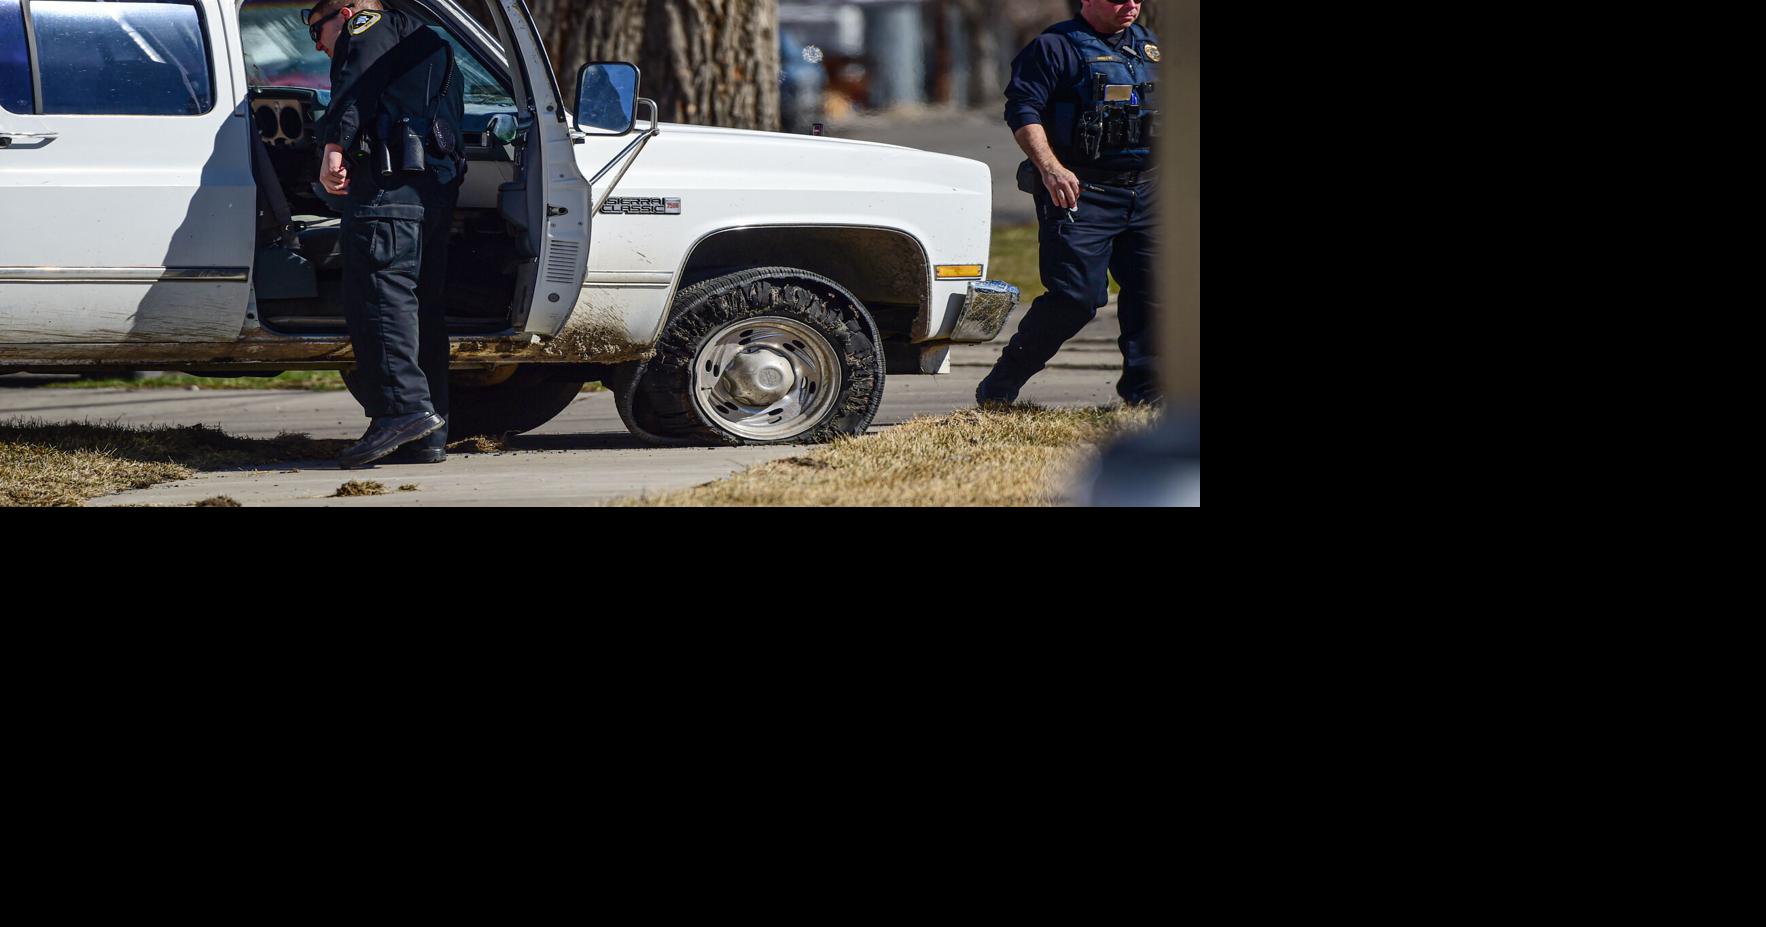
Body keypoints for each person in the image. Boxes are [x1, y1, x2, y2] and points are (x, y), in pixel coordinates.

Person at [306, 0, 465, 467]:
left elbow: (357, 84)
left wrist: (335, 144)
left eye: (317, 28)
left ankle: (401, 412)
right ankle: (427, 431)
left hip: (388, 186)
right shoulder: (428, 36)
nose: (318, 44)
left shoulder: (367, 25)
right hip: (429, 188)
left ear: (347, 10)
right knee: (419, 306)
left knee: (380, 300)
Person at [981, 0, 1161, 407]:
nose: (1131, 4)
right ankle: (1000, 386)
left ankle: (1147, 397)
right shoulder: (1054, 47)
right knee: (1075, 298)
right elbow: (1023, 109)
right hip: (1081, 189)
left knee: (1153, 292)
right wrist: (1050, 168)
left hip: (1146, 190)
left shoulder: (1152, 46)